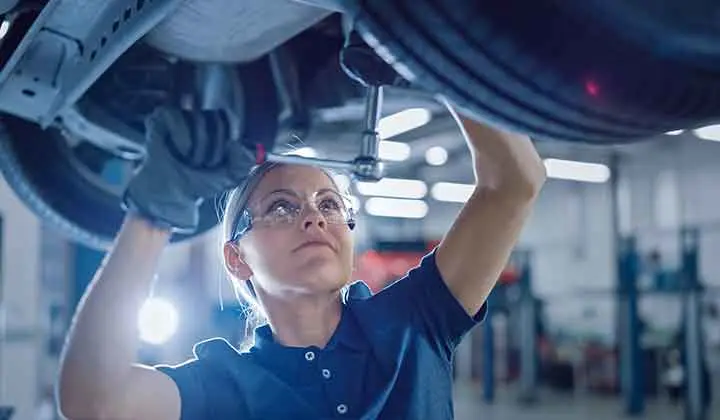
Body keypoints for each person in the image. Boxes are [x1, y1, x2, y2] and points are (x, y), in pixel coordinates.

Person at [57, 100, 546, 419]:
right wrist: (153, 214)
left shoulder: (413, 323)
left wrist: (433, 51)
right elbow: (93, 404)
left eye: (329, 204)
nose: (314, 218)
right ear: (237, 259)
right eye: (281, 207)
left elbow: (515, 181)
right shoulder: (224, 386)